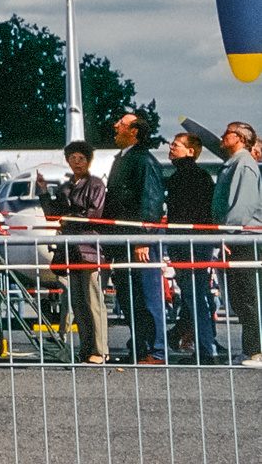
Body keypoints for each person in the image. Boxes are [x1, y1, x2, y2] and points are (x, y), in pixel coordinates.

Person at [102, 113, 167, 364]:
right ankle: (140, 347)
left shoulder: (144, 160)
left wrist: (143, 239)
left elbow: (150, 201)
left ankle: (156, 350)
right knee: (130, 299)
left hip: (138, 243)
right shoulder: (123, 159)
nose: (116, 126)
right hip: (122, 242)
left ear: (135, 132)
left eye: (122, 124)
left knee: (148, 297)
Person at [40, 141, 108, 363]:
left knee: (93, 301)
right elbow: (53, 214)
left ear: (89, 161)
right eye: (73, 158)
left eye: (81, 158)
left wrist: (68, 219)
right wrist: (43, 193)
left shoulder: (96, 185)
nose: (77, 162)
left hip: (90, 248)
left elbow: (94, 214)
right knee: (78, 303)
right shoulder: (64, 188)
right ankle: (86, 350)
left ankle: (100, 350)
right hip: (71, 249)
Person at [165, 132, 219, 363]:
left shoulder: (183, 178)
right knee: (196, 296)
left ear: (190, 151)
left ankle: (206, 349)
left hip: (189, 245)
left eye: (176, 145)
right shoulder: (199, 177)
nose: (170, 147)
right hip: (197, 244)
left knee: (195, 297)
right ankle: (201, 343)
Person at [211, 121, 262, 367]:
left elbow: (244, 205)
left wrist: (228, 233)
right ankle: (251, 349)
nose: (222, 136)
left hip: (243, 239)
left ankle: (256, 351)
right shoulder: (235, 164)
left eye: (227, 132)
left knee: (250, 297)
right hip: (238, 238)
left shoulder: (244, 164)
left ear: (240, 137)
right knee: (243, 298)